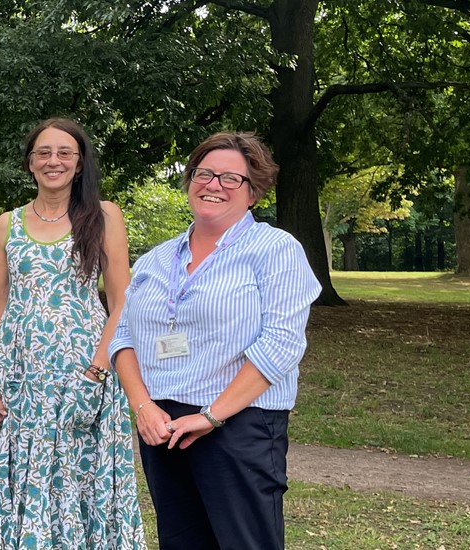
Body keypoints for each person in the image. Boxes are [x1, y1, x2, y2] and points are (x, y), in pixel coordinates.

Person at [111, 132, 320, 549]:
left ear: (254, 191)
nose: (213, 185)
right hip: (162, 425)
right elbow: (123, 336)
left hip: (239, 424)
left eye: (230, 178)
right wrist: (142, 406)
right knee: (181, 541)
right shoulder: (156, 258)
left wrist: (211, 416)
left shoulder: (275, 249)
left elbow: (281, 343)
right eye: (204, 173)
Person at [0, 118, 144, 549]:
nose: (53, 161)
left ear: (79, 164)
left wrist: (97, 373)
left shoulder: (103, 216)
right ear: (29, 163)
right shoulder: (7, 223)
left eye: (65, 153)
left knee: (78, 482)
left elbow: (121, 303)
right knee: (26, 486)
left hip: (82, 374)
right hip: (19, 381)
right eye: (43, 152)